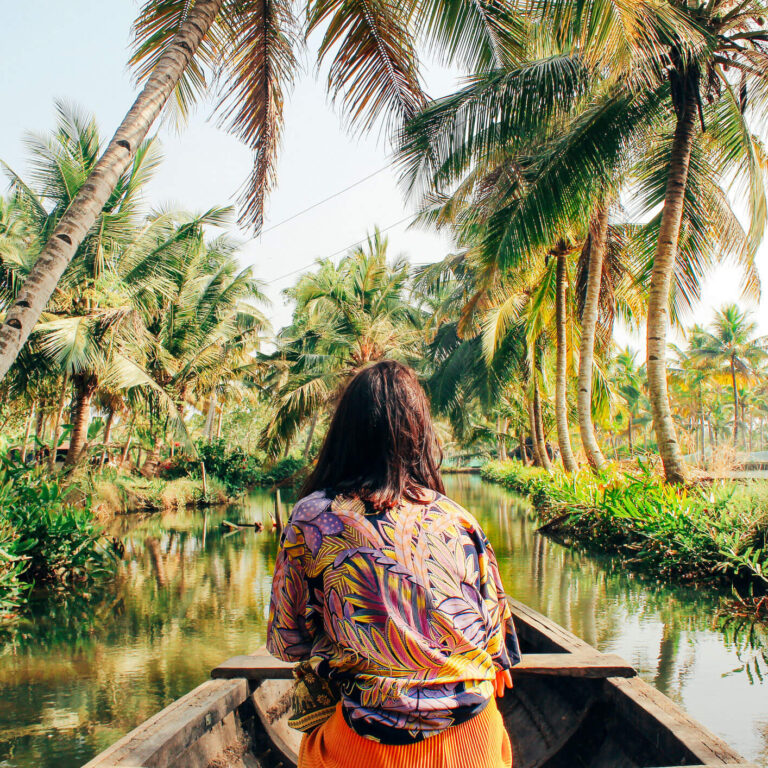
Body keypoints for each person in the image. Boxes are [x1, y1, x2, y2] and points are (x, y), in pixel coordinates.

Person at [267, 360, 520, 768]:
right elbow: (499, 649)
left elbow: (287, 641)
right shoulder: (457, 518)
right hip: (477, 742)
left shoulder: (313, 517)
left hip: (371, 747)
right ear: (419, 435)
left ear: (344, 434)